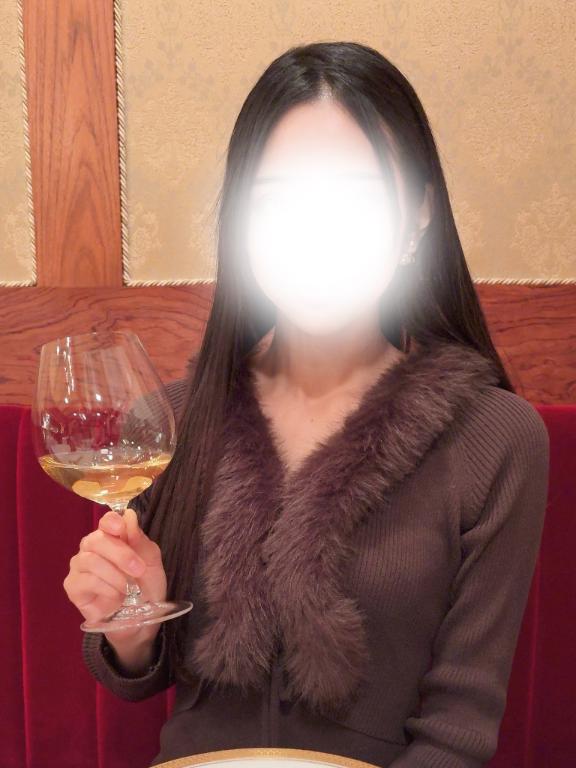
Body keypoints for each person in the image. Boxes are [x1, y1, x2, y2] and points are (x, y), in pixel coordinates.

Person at [64, 42, 550, 767]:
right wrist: (128, 631)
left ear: (417, 215)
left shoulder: (497, 438)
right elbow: (143, 676)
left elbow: (459, 732)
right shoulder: (167, 424)